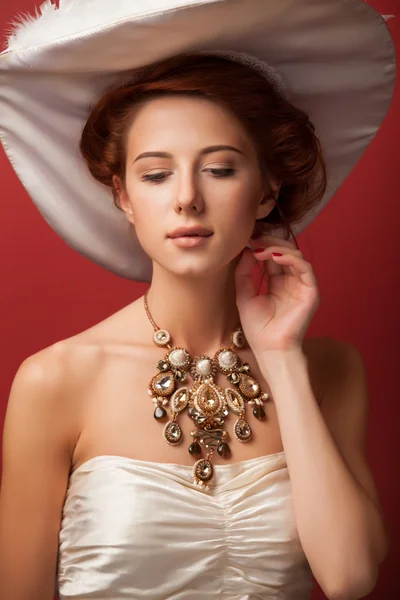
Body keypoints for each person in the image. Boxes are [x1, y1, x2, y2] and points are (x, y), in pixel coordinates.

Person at [0, 1, 395, 599]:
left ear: (266, 192)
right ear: (124, 197)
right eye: (156, 175)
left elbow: (351, 578)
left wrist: (282, 357)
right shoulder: (55, 380)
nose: (186, 198)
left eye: (218, 168)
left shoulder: (329, 371)